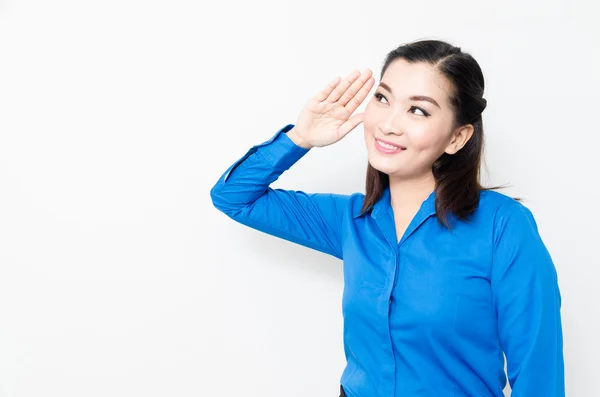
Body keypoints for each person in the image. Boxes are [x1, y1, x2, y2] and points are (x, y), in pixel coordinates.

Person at [209, 39, 565, 397]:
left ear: (458, 137)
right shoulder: (350, 220)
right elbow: (234, 196)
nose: (389, 124)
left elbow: (539, 372)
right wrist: (300, 138)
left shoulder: (503, 227)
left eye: (418, 111)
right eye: (383, 99)